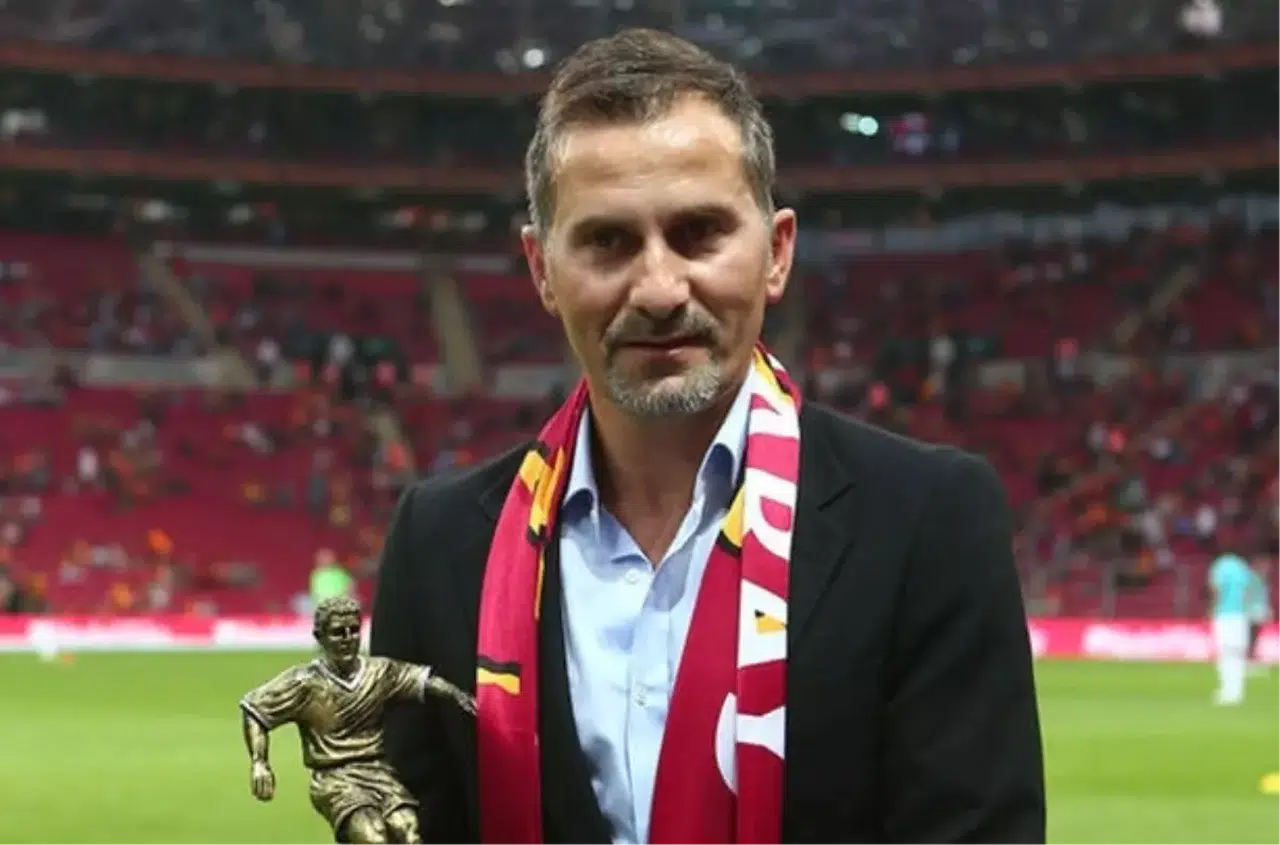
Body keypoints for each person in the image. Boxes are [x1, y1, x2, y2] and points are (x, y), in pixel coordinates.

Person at [370, 28, 1045, 845]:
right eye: (608, 241)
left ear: (776, 252)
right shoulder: (441, 545)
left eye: (698, 234)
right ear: (542, 268)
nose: (659, 288)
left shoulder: (928, 520)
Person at [240, 596, 475, 845]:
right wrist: (259, 763)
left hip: (378, 771)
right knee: (374, 838)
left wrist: (458, 695)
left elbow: (422, 681)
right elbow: (254, 710)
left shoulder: (379, 672)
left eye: (353, 630)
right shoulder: (304, 683)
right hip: (335, 778)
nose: (348, 639)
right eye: (338, 633)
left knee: (409, 833)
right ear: (320, 637)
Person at [1208, 550, 1253, 705]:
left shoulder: (1220, 566)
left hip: (1224, 614)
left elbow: (1217, 590)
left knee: (1225, 654)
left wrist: (1212, 607)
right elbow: (1248, 591)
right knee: (1238, 654)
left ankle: (1227, 692)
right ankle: (1237, 692)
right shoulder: (1242, 566)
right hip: (1240, 615)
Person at [1247, 559, 1272, 675]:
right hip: (1252, 612)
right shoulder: (1252, 578)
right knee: (1251, 636)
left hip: (1257, 611)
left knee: (1254, 636)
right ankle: (1249, 658)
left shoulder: (1261, 579)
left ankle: (1251, 658)